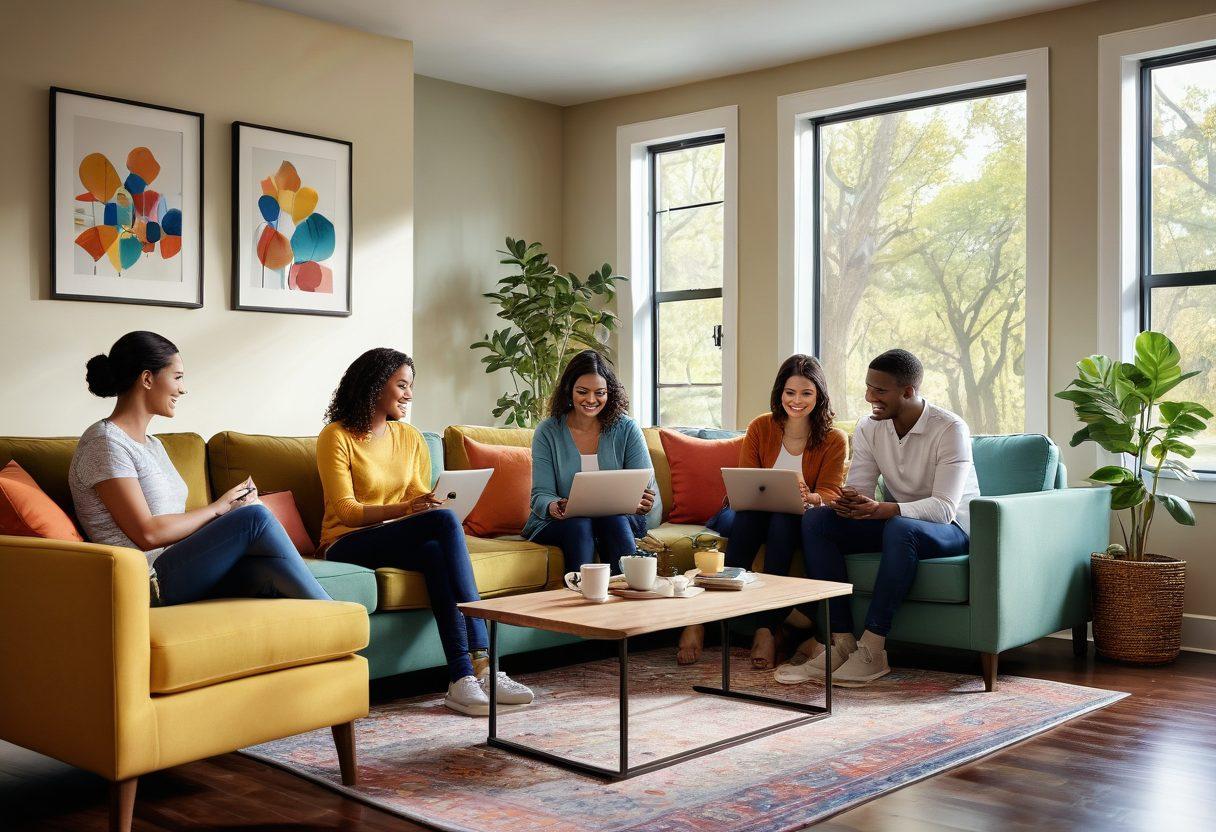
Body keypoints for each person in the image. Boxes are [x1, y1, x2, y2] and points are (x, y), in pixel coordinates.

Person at [316, 347, 533, 716]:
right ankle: (485, 661)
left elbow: (418, 494)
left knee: (436, 552)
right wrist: (409, 509)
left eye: (410, 386)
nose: (409, 394)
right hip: (346, 542)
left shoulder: (410, 437)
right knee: (445, 523)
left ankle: (461, 678)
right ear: (373, 386)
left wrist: (439, 500)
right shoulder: (336, 437)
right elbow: (347, 511)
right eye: (402, 385)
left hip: (397, 534)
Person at [69, 331, 332, 607]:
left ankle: (337, 626)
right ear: (147, 379)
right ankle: (343, 622)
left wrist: (230, 509)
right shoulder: (105, 443)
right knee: (254, 519)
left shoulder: (153, 445)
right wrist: (218, 508)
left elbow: (171, 527)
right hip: (146, 580)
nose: (183, 389)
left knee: (271, 571)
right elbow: (148, 534)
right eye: (178, 377)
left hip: (180, 565)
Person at [780, 349, 979, 687]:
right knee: (817, 522)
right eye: (868, 387)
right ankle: (840, 642)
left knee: (900, 526)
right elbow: (860, 488)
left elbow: (944, 508)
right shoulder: (870, 427)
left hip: (952, 529)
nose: (869, 397)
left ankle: (873, 649)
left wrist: (884, 509)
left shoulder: (949, 429)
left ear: (908, 392)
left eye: (880, 390)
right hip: (896, 524)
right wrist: (848, 502)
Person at [676, 355, 847, 668]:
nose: (796, 401)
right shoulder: (760, 426)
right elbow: (745, 482)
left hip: (795, 516)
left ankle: (764, 630)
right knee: (753, 517)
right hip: (745, 513)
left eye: (806, 393)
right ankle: (703, 620)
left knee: (781, 521)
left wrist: (810, 497)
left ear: (820, 396)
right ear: (779, 392)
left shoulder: (834, 439)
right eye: (790, 392)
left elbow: (831, 493)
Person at [522, 350, 659, 573]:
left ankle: (629, 593)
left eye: (600, 393)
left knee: (612, 520)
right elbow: (540, 494)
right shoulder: (548, 431)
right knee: (580, 524)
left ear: (610, 393)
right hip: (563, 523)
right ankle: (580, 596)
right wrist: (554, 506)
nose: (591, 400)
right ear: (569, 391)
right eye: (583, 392)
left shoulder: (627, 428)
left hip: (618, 518)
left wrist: (643, 502)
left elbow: (643, 486)